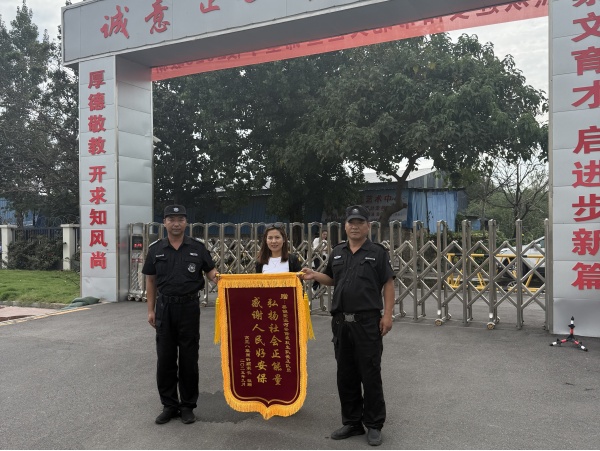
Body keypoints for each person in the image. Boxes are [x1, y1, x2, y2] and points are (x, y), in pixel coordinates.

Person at [301, 205, 395, 447]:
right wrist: (314, 275)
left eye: (360, 222)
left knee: (370, 374)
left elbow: (388, 283)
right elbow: (332, 279)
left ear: (368, 226)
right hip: (342, 323)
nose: (355, 226)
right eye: (351, 222)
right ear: (345, 226)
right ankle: (352, 422)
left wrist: (388, 315)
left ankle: (373, 424)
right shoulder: (337, 252)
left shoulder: (377, 252)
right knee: (346, 374)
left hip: (367, 323)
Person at [142, 205, 218, 425]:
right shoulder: (156, 249)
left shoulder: (197, 248)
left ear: (186, 223)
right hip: (165, 308)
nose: (176, 223)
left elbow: (211, 272)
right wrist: (150, 310)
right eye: (171, 219)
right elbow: (150, 280)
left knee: (188, 359)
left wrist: (225, 280)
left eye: (180, 219)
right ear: (164, 222)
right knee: (165, 358)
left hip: (189, 308)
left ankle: (187, 406)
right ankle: (169, 405)